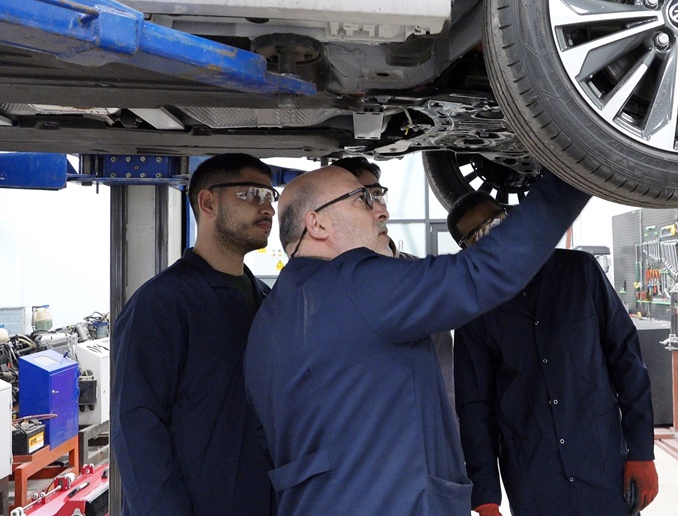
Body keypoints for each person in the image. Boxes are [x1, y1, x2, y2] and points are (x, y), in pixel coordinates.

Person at [244, 165, 590, 515]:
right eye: (361, 200)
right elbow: (481, 274)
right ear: (317, 224)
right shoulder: (358, 283)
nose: (381, 211)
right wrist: (577, 169)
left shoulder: (267, 322)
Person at [447, 192, 658, 516]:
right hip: (533, 478)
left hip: (601, 464)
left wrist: (641, 450)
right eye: (479, 235)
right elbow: (475, 407)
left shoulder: (580, 272)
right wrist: (486, 497)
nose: (495, 238)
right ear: (467, 250)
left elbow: (627, 359)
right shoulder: (475, 313)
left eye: (497, 223)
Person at [111, 153, 278, 515]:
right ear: (208, 203)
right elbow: (137, 426)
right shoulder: (161, 303)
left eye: (271, 196)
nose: (268, 208)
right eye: (252, 194)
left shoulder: (268, 303)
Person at [333, 156, 458, 415]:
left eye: (379, 195)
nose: (382, 210)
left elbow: (445, 374)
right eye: (364, 198)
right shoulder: (321, 287)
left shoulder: (418, 277)